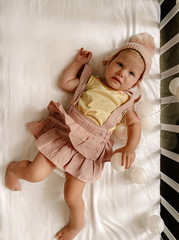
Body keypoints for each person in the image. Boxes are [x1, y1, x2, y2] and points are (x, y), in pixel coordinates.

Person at [5, 32, 155, 240]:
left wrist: (130, 146)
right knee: (35, 174)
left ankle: (76, 225)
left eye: (131, 73)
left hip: (89, 151)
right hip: (66, 135)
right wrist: (77, 63)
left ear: (136, 83)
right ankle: (14, 169)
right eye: (120, 64)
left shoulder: (125, 103)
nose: (122, 73)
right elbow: (65, 83)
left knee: (72, 197)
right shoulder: (91, 82)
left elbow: (134, 123)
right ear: (109, 61)